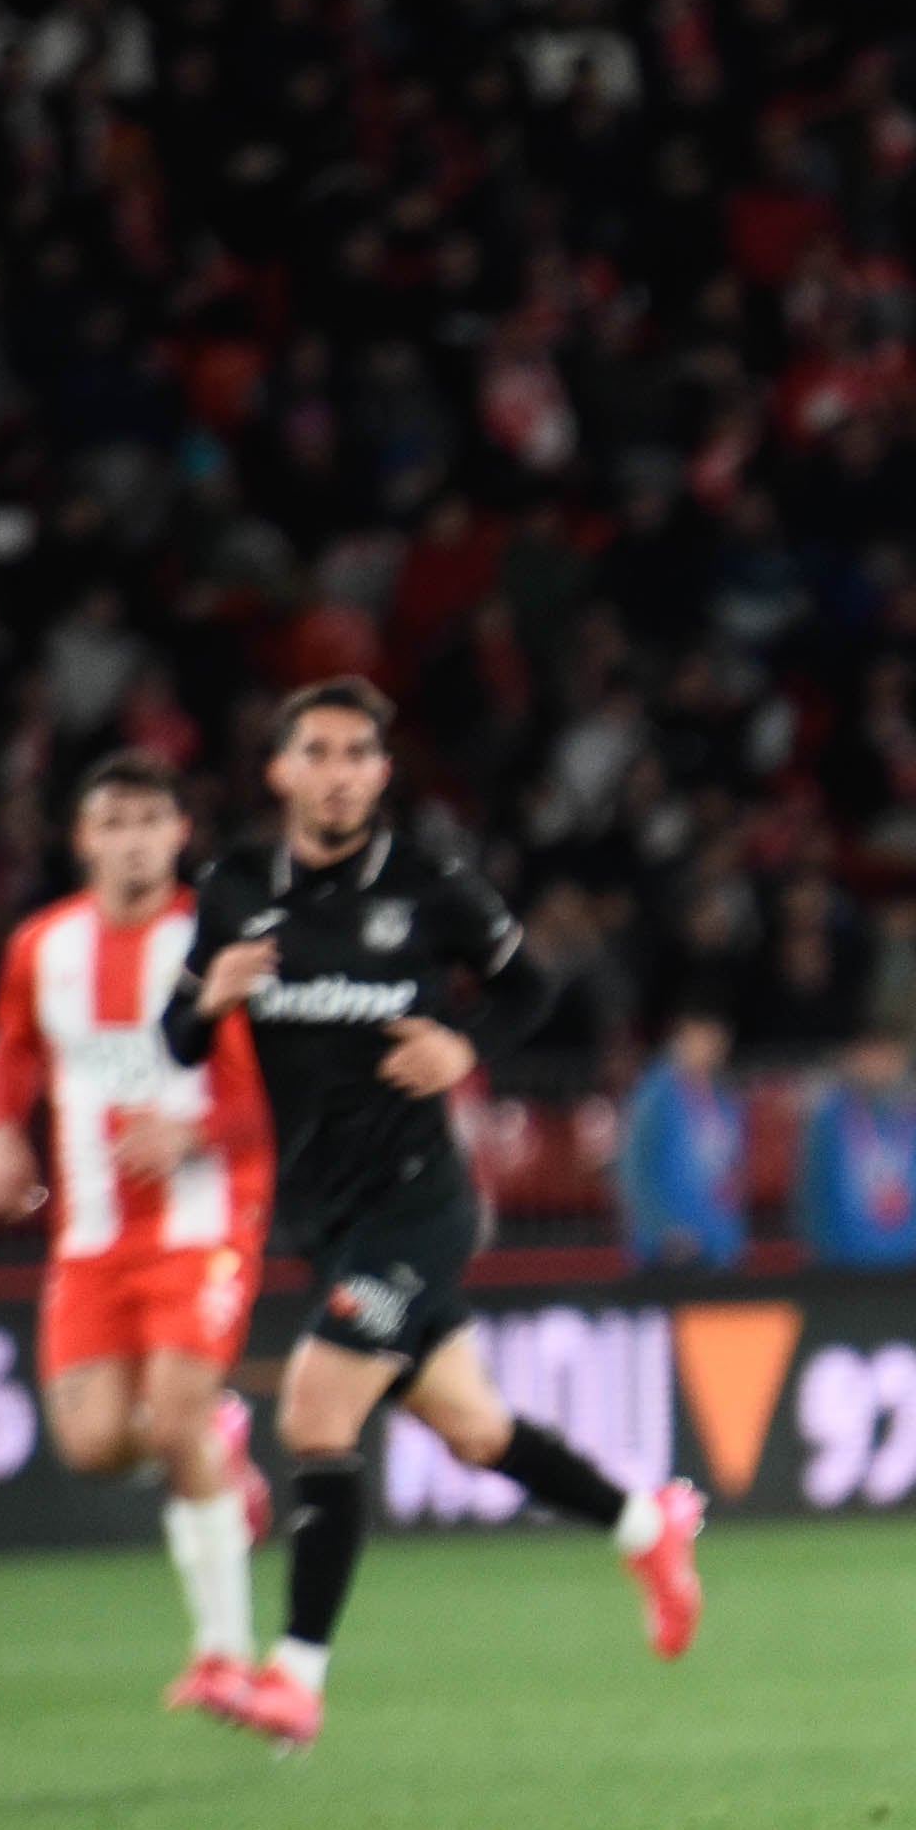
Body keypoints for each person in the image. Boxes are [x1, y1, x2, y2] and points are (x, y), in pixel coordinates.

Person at [161, 679, 704, 1749]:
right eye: (315, 751)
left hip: (419, 1205)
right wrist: (205, 995)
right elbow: (177, 1042)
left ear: (380, 773)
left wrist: (467, 1048)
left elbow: (532, 991)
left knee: (316, 1414)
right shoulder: (230, 888)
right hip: (321, 1214)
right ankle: (649, 1525)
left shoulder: (429, 882)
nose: (338, 770)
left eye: (358, 752)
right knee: (473, 1431)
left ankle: (296, 1676)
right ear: (281, 771)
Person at [0, 754, 278, 1718]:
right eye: (117, 821)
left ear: (180, 835)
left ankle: (226, 1655)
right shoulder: (43, 945)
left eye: (154, 820)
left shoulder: (214, 943)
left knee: (173, 1419)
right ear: (85, 838)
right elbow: (15, 1045)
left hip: (202, 1216)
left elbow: (270, 1093)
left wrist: (195, 1131)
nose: (136, 838)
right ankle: (225, 1448)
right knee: (97, 1441)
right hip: (92, 1231)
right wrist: (0, 1142)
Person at [796, 1031, 916, 1268]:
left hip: (912, 1259)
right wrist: (820, 1250)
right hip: (843, 1263)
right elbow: (810, 1188)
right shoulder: (828, 1119)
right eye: (868, 1056)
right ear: (850, 1061)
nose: (877, 1065)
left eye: (887, 1057)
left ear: (901, 1060)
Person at [617, 1009, 747, 1270]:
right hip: (669, 1250)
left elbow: (731, 1168)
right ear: (682, 1036)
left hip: (717, 1246)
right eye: (703, 1038)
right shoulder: (653, 1096)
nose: (711, 1049)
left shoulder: (724, 1098)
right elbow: (633, 1169)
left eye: (718, 1040)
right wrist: (663, 1228)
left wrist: (731, 1235)